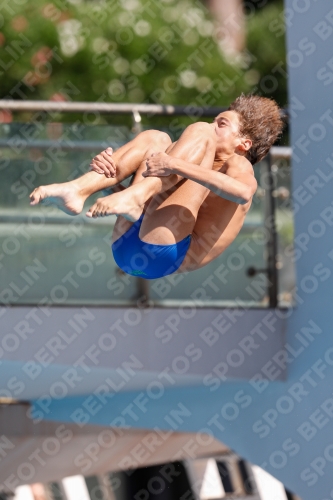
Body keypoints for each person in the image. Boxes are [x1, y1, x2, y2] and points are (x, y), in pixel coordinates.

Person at [29, 94, 284, 279]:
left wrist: (174, 164)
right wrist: (109, 178)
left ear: (244, 144)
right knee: (156, 138)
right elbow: (160, 191)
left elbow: (243, 193)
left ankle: (135, 196)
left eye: (222, 124)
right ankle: (79, 189)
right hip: (127, 243)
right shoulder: (190, 159)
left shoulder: (239, 165)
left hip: (165, 253)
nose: (211, 125)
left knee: (194, 136)